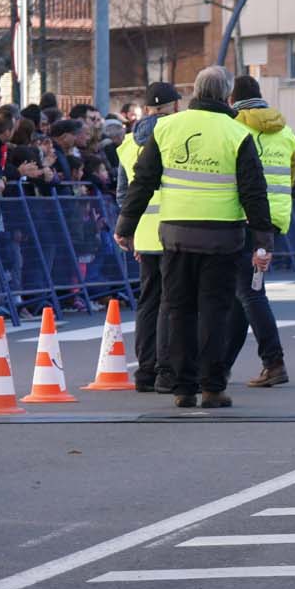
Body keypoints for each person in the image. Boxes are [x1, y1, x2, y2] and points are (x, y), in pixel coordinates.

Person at [114, 66, 274, 410]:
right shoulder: (237, 134)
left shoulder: (169, 127)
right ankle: (213, 388)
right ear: (227, 96)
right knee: (214, 312)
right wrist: (263, 241)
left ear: (195, 93)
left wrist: (125, 226)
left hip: (176, 236)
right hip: (222, 238)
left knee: (177, 310)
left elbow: (142, 180)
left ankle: (182, 387)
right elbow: (254, 193)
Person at [222, 75, 295, 388]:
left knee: (249, 293)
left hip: (246, 216)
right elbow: (292, 174)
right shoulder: (287, 131)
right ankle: (221, 365)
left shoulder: (236, 126)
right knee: (243, 294)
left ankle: (274, 361)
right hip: (275, 219)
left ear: (232, 100)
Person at [115, 82, 181, 392]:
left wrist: (132, 231)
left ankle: (145, 371)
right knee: (173, 303)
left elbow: (123, 195)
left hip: (143, 233)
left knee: (148, 302)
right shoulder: (177, 135)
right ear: (174, 106)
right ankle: (168, 371)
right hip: (174, 230)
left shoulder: (129, 142)